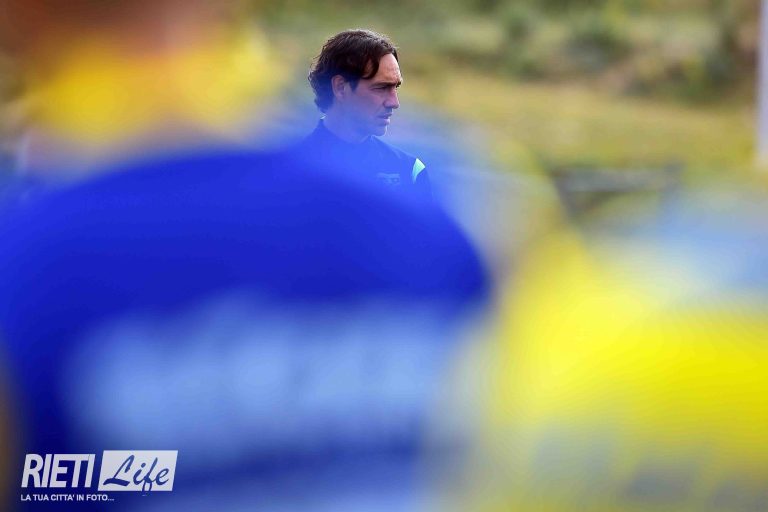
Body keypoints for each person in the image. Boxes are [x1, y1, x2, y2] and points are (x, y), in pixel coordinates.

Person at [295, 29, 432, 197]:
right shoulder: (288, 169)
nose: (394, 103)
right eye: (381, 88)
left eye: (395, 87)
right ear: (340, 87)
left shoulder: (409, 171)